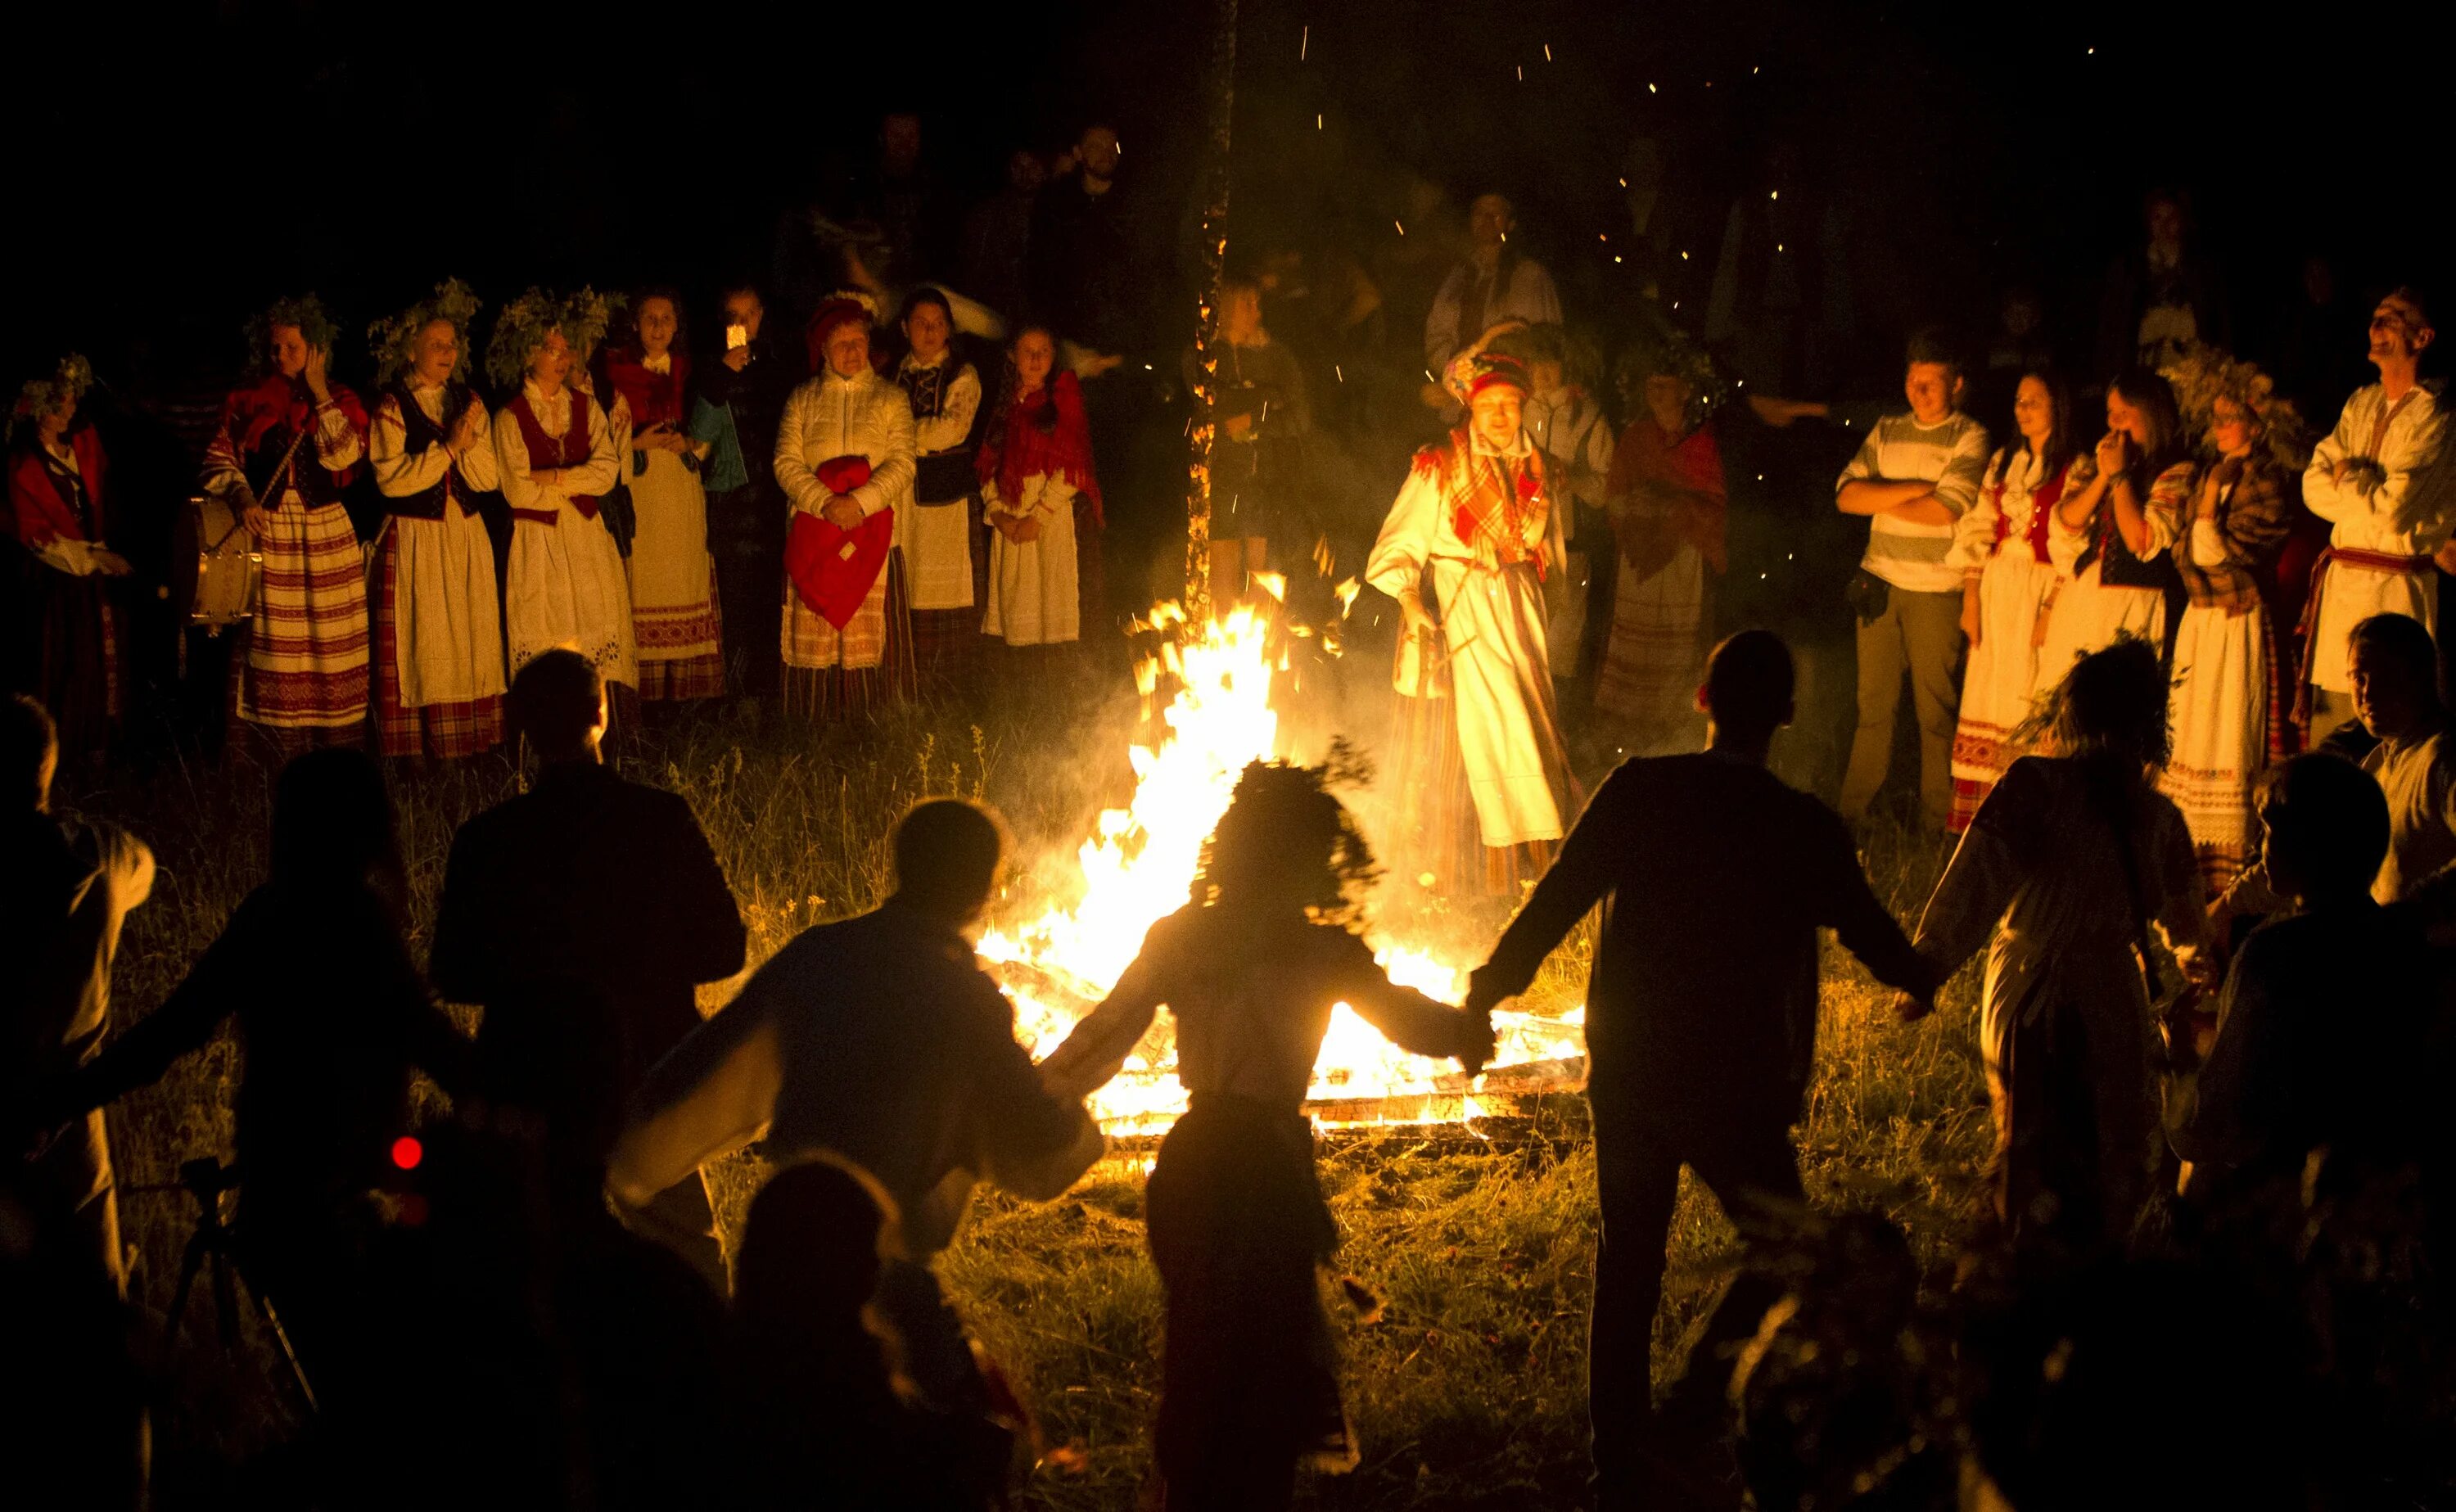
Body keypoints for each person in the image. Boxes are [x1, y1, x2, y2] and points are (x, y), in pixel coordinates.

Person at [1464, 630, 1937, 1510]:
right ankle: (1686, 1415)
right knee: (1790, 1245)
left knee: (1629, 1257)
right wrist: (1923, 972)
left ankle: (1623, 1463)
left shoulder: (1641, 790)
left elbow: (1555, 900)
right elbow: (1874, 934)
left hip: (1635, 1065)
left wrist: (1485, 992)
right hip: (1739, 1078)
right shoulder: (1802, 825)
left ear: (1701, 699)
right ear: (1786, 714)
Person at [1041, 759, 1493, 1512]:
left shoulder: (1183, 935)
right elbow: (1409, 1021)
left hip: (1191, 1165)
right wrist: (1469, 1032)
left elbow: (1103, 1036)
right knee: (1263, 1381)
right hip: (1265, 1173)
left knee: (1197, 1358)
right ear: (1312, 856)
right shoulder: (1322, 951)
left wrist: (1025, 1096)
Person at [609, 797, 1101, 1415]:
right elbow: (1038, 1142)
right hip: (882, 1271)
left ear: (901, 867)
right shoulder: (965, 997)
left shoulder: (819, 956)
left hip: (783, 1263)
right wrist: (1076, 1102)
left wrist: (624, 1144)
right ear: (984, 890)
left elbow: (708, 1068)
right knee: (959, 1437)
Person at [35, 747, 472, 1396]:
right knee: (383, 1395)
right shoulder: (359, 923)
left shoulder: (268, 915)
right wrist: (516, 1094)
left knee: (346, 1388)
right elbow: (428, 1038)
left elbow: (173, 1029)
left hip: (277, 1201)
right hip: (356, 1201)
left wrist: (67, 1096)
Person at [430, 650, 745, 1287]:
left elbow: (454, 972)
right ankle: (710, 1366)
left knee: (530, 1259)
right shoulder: (660, 818)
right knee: (685, 1251)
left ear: (522, 728)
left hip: (527, 1080)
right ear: (601, 714)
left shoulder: (486, 839)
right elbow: (725, 948)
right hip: (651, 1063)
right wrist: (645, 970)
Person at [1909, 639, 2210, 1261]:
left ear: (2071, 713)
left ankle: (2010, 1293)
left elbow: (1978, 877)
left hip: (2030, 993)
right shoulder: (2158, 817)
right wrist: (2195, 974)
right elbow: (2189, 934)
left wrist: (1928, 964)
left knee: (2027, 1153)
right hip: (2110, 1001)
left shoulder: (2038, 785)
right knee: (2107, 1151)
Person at [2168, 755, 2430, 1197]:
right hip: (2374, 1194)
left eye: (2270, 831)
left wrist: (2180, 1057)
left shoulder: (2273, 953)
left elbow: (2221, 1119)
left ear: (2312, 844)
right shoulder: (2399, 940)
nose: (2259, 845)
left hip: (2279, 1200)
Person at [1366, 353, 1575, 897]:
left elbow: (1552, 554)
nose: (1502, 415)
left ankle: (1543, 864)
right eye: (1490, 404)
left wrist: (1536, 599)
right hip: (1466, 614)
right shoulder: (1442, 465)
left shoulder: (1541, 469)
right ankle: (1492, 870)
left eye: (1510, 403)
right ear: (1471, 408)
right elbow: (1399, 544)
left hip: (1521, 613)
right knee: (1489, 732)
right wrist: (1411, 599)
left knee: (1531, 723)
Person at [725, 1158, 1009, 1511]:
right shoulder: (848, 1387)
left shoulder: (734, 1365)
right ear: (838, 1263)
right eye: (870, 1249)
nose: (879, 1266)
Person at [3, 695, 152, 1296]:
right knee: (96, 1289)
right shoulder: (101, 854)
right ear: (49, 767)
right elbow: (144, 868)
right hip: (72, 1105)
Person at [2157, 346, 2304, 893]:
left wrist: (2212, 501)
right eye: (2213, 416)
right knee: (2195, 726)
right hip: (2203, 619)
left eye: (2230, 415)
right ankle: (2186, 867)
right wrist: (2206, 500)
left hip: (2239, 624)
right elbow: (2185, 552)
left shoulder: (2263, 478)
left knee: (2230, 728)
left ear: (2256, 419)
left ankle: (2235, 870)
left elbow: (2222, 551)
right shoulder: (2207, 473)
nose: (2219, 425)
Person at [1835, 329, 1992, 833]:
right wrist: (1918, 487)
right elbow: (1844, 496)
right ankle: (1853, 817)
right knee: (1873, 709)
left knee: (1935, 714)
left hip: (1935, 591)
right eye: (1912, 379)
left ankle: (1935, 823)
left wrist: (1881, 492)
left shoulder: (1970, 435)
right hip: (1879, 581)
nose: (1918, 391)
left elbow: (1947, 510)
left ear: (1958, 385)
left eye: (1931, 382)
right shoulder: (1886, 429)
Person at [2210, 613, 2456, 929]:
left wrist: (2411, 916)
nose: (2367, 694)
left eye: (2384, 677)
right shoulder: (2377, 765)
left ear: (2420, 676)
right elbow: (2307, 854)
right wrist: (2225, 907)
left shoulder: (2442, 759)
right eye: (2358, 678)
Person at [204, 296, 371, 756]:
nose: (281, 358)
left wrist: (319, 391)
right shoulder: (249, 397)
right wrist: (240, 495)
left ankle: (334, 753)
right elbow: (219, 457)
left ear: (315, 348)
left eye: (292, 348)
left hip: (326, 533)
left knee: (331, 645)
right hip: (272, 531)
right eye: (275, 348)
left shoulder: (340, 398)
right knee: (276, 642)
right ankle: (276, 755)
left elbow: (345, 457)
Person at [2297, 286, 2454, 746]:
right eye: (2375, 316)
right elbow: (2312, 486)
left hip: (2396, 595)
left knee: (2392, 728)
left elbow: (2395, 512)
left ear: (2423, 337)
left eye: (2393, 317)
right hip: (2343, 591)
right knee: (2335, 733)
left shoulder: (2437, 414)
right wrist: (2366, 480)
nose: (2377, 325)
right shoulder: (2361, 403)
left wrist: (2349, 476)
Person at [365, 281, 508, 761]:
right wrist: (447, 448)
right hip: (416, 537)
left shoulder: (468, 402)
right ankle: (416, 752)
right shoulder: (391, 405)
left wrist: (465, 443)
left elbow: (487, 479)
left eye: (452, 345)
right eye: (435, 345)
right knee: (425, 636)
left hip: (464, 531)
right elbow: (392, 481)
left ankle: (466, 746)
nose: (447, 353)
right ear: (410, 350)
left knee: (467, 631)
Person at [1946, 371, 2090, 831]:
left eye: (2035, 401)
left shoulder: (2076, 467)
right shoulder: (2003, 461)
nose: (2023, 409)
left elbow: (2074, 545)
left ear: (2057, 408)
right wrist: (1971, 598)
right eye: (2019, 400)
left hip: (2041, 588)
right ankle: (1983, 815)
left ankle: (2030, 811)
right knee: (1989, 688)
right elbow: (1978, 526)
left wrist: (2052, 608)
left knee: (2030, 690)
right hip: (1997, 588)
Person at [486, 288, 637, 695]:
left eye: (565, 349)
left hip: (586, 535)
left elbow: (607, 472)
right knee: (546, 629)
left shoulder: (586, 406)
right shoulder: (509, 416)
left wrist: (553, 478)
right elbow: (518, 491)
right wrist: (573, 478)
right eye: (550, 350)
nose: (562, 359)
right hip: (538, 542)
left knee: (593, 624)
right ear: (526, 355)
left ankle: (599, 732)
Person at [774, 298, 919, 715]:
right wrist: (824, 504)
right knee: (816, 625)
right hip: (814, 530)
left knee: (869, 629)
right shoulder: (802, 399)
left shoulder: (890, 399)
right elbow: (786, 462)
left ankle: (873, 717)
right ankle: (812, 716)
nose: (853, 351)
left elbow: (903, 461)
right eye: (842, 344)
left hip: (873, 530)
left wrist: (859, 503)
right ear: (823, 349)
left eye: (859, 342)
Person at [1595, 337, 1723, 752]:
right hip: (1640, 554)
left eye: (1665, 385)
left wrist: (1675, 503)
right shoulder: (1635, 437)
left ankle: (1669, 725)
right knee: (1635, 638)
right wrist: (1635, 503)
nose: (1657, 393)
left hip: (1683, 555)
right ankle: (1628, 727)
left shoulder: (1702, 442)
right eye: (1651, 385)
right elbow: (1614, 493)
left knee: (1674, 635)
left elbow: (1715, 500)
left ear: (1686, 390)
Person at [604, 289, 725, 703]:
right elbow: (603, 437)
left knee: (682, 572)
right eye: (650, 318)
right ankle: (645, 695)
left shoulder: (690, 373)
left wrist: (691, 441)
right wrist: (636, 444)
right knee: (646, 574)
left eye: (666, 318)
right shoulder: (615, 371)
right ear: (636, 324)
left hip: (680, 487)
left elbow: (711, 431)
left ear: (677, 326)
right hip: (641, 488)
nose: (658, 326)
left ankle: (687, 694)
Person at [2035, 370, 2192, 688]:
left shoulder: (2177, 470)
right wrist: (2105, 477)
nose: (2114, 424)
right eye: (2110, 414)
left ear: (2151, 414)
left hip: (2135, 604)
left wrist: (2120, 478)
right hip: (2085, 600)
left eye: (2124, 414)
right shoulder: (2097, 467)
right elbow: (2066, 524)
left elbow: (2140, 539)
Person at [7, 357, 131, 761]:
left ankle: (101, 743)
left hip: (92, 576)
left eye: (71, 404)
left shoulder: (84, 446)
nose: (68, 412)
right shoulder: (25, 467)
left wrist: (107, 550)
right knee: (63, 663)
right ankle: (62, 752)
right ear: (37, 411)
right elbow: (39, 538)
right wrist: (94, 558)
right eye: (58, 406)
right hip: (56, 581)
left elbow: (104, 500)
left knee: (101, 658)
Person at [696, 281, 800, 697]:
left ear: (762, 314)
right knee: (735, 599)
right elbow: (701, 431)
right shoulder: (710, 367)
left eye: (751, 313)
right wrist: (724, 372)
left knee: (769, 598)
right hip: (731, 502)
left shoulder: (781, 367)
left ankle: (771, 689)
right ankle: (737, 694)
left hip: (773, 500)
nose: (744, 323)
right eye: (734, 317)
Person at [1185, 274, 1309, 612]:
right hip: (1222, 476)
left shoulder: (1275, 356)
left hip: (1267, 478)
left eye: (1258, 304)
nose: (1256, 312)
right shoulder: (1205, 356)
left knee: (1263, 580)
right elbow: (1210, 409)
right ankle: (1221, 649)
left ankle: (1267, 655)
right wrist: (1264, 397)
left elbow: (1299, 415)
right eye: (1246, 304)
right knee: (1221, 581)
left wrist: (1256, 420)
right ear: (1225, 308)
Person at [978, 325, 1102, 650]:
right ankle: (1022, 681)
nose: (1035, 359)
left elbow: (1074, 465)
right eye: (1027, 351)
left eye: (1043, 351)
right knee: (1017, 603)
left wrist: (1039, 516)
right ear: (1012, 356)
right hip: (1011, 514)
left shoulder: (1063, 396)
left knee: (1053, 600)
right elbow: (988, 464)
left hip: (1052, 516)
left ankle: (1058, 682)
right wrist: (999, 514)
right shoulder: (1004, 403)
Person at [893, 288, 986, 681]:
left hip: (947, 498)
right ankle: (908, 670)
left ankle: (950, 677)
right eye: (921, 323)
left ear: (948, 329)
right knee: (908, 575)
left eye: (938, 324)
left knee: (948, 582)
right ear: (904, 327)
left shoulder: (963, 376)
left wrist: (896, 437)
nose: (930, 331)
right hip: (903, 495)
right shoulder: (891, 374)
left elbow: (951, 429)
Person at [1520, 326, 1614, 696]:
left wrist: (1571, 481)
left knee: (1563, 624)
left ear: (1566, 366)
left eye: (1551, 364)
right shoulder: (1521, 408)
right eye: (1536, 363)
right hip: (1522, 533)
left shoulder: (1587, 416)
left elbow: (1607, 483)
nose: (1543, 373)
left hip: (1570, 537)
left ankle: (1556, 704)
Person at [2094, 189, 2231, 376]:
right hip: (2145, 362)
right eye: (2157, 218)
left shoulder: (2201, 268)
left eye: (2171, 219)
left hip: (2190, 363)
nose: (2164, 226)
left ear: (2183, 222)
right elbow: (2112, 321)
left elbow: (2219, 318)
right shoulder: (2130, 267)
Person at [1422, 193, 1563, 373]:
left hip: (1512, 390)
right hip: (1462, 388)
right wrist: (1457, 375)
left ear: (1510, 224)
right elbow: (1437, 336)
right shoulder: (1457, 277)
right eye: (1480, 213)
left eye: (1496, 214)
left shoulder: (1530, 276)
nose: (1487, 220)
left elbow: (1545, 345)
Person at [959, 147, 1046, 327]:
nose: (1025, 173)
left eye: (1033, 166)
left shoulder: (1057, 215)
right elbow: (973, 269)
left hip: (1041, 319)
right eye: (1018, 166)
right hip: (993, 317)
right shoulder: (987, 215)